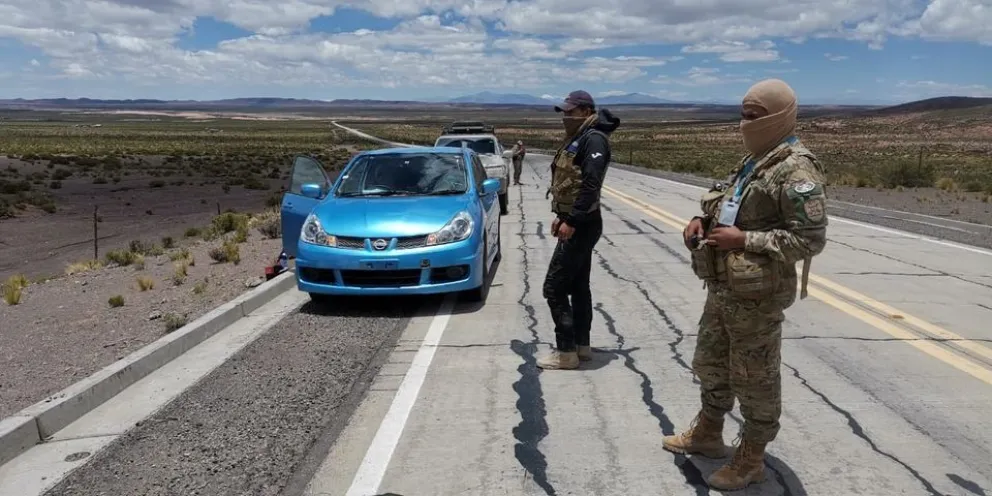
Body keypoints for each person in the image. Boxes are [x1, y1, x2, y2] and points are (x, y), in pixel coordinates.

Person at [661, 78, 828, 490]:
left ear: (781, 116)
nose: (745, 123)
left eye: (755, 116)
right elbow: (729, 207)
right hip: (724, 289)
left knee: (755, 377)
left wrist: (745, 240)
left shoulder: (796, 169)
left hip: (758, 297)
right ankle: (708, 432)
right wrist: (702, 221)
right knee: (711, 363)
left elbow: (810, 239)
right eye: (743, 114)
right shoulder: (756, 161)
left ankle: (752, 457)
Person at [537, 90, 621, 370]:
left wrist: (571, 221)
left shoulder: (593, 139)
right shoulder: (580, 137)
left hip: (583, 225)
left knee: (553, 287)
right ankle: (582, 347)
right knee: (578, 286)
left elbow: (590, 185)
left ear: (586, 111)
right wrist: (562, 216)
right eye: (564, 112)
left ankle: (566, 352)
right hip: (579, 222)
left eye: (570, 112)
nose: (565, 117)